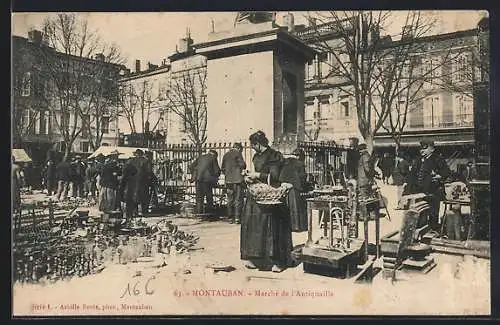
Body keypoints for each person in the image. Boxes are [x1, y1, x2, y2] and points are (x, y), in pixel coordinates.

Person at [240, 130, 293, 273]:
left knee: (272, 228)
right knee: (254, 226)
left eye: (253, 145)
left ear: (258, 144)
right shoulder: (257, 157)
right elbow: (258, 174)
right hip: (259, 195)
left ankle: (278, 261)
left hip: (272, 196)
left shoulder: (274, 156)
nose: (252, 147)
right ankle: (257, 258)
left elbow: (274, 176)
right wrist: (249, 176)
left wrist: (258, 175)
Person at [405, 140, 451, 231]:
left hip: (433, 191)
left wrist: (439, 176)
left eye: (425, 149)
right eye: (421, 149)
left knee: (433, 213)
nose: (422, 151)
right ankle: (421, 230)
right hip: (419, 192)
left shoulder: (438, 159)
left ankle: (432, 231)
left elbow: (446, 172)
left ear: (432, 149)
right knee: (420, 212)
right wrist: (407, 190)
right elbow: (412, 175)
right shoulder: (418, 160)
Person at [279, 148, 308, 232]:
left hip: (284, 185)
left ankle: (287, 226)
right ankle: (296, 226)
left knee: (286, 206)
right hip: (294, 186)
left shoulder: (286, 161)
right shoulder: (300, 164)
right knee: (295, 206)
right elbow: (302, 177)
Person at [120, 149, 151, 220]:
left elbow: (124, 171)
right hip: (142, 182)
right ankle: (143, 211)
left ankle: (134, 211)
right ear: (141, 154)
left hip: (131, 182)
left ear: (135, 154)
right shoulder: (145, 161)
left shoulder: (130, 161)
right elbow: (149, 172)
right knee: (143, 196)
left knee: (132, 196)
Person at [190, 149, 221, 217]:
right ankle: (209, 213)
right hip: (207, 180)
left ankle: (199, 212)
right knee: (209, 196)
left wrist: (195, 174)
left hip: (198, 179)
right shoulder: (213, 158)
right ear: (214, 154)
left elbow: (191, 166)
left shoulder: (200, 157)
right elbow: (216, 171)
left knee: (199, 197)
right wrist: (215, 176)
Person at [221, 142, 247, 224]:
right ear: (239, 148)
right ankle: (237, 218)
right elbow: (243, 165)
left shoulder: (226, 154)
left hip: (228, 181)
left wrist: (228, 175)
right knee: (238, 199)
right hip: (237, 180)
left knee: (230, 199)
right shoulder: (238, 153)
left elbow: (223, 168)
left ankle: (230, 217)